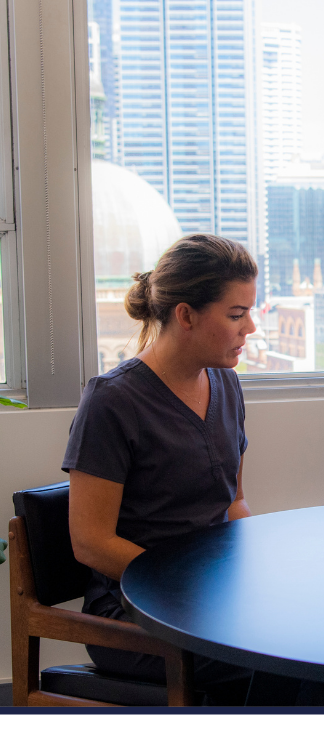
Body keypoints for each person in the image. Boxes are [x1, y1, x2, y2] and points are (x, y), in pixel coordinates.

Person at [64, 233, 258, 706]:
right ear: (185, 315)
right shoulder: (112, 401)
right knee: (288, 664)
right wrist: (184, 584)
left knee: (321, 640)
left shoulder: (226, 386)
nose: (249, 327)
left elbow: (232, 502)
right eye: (236, 314)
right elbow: (90, 541)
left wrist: (264, 569)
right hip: (135, 611)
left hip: (211, 598)